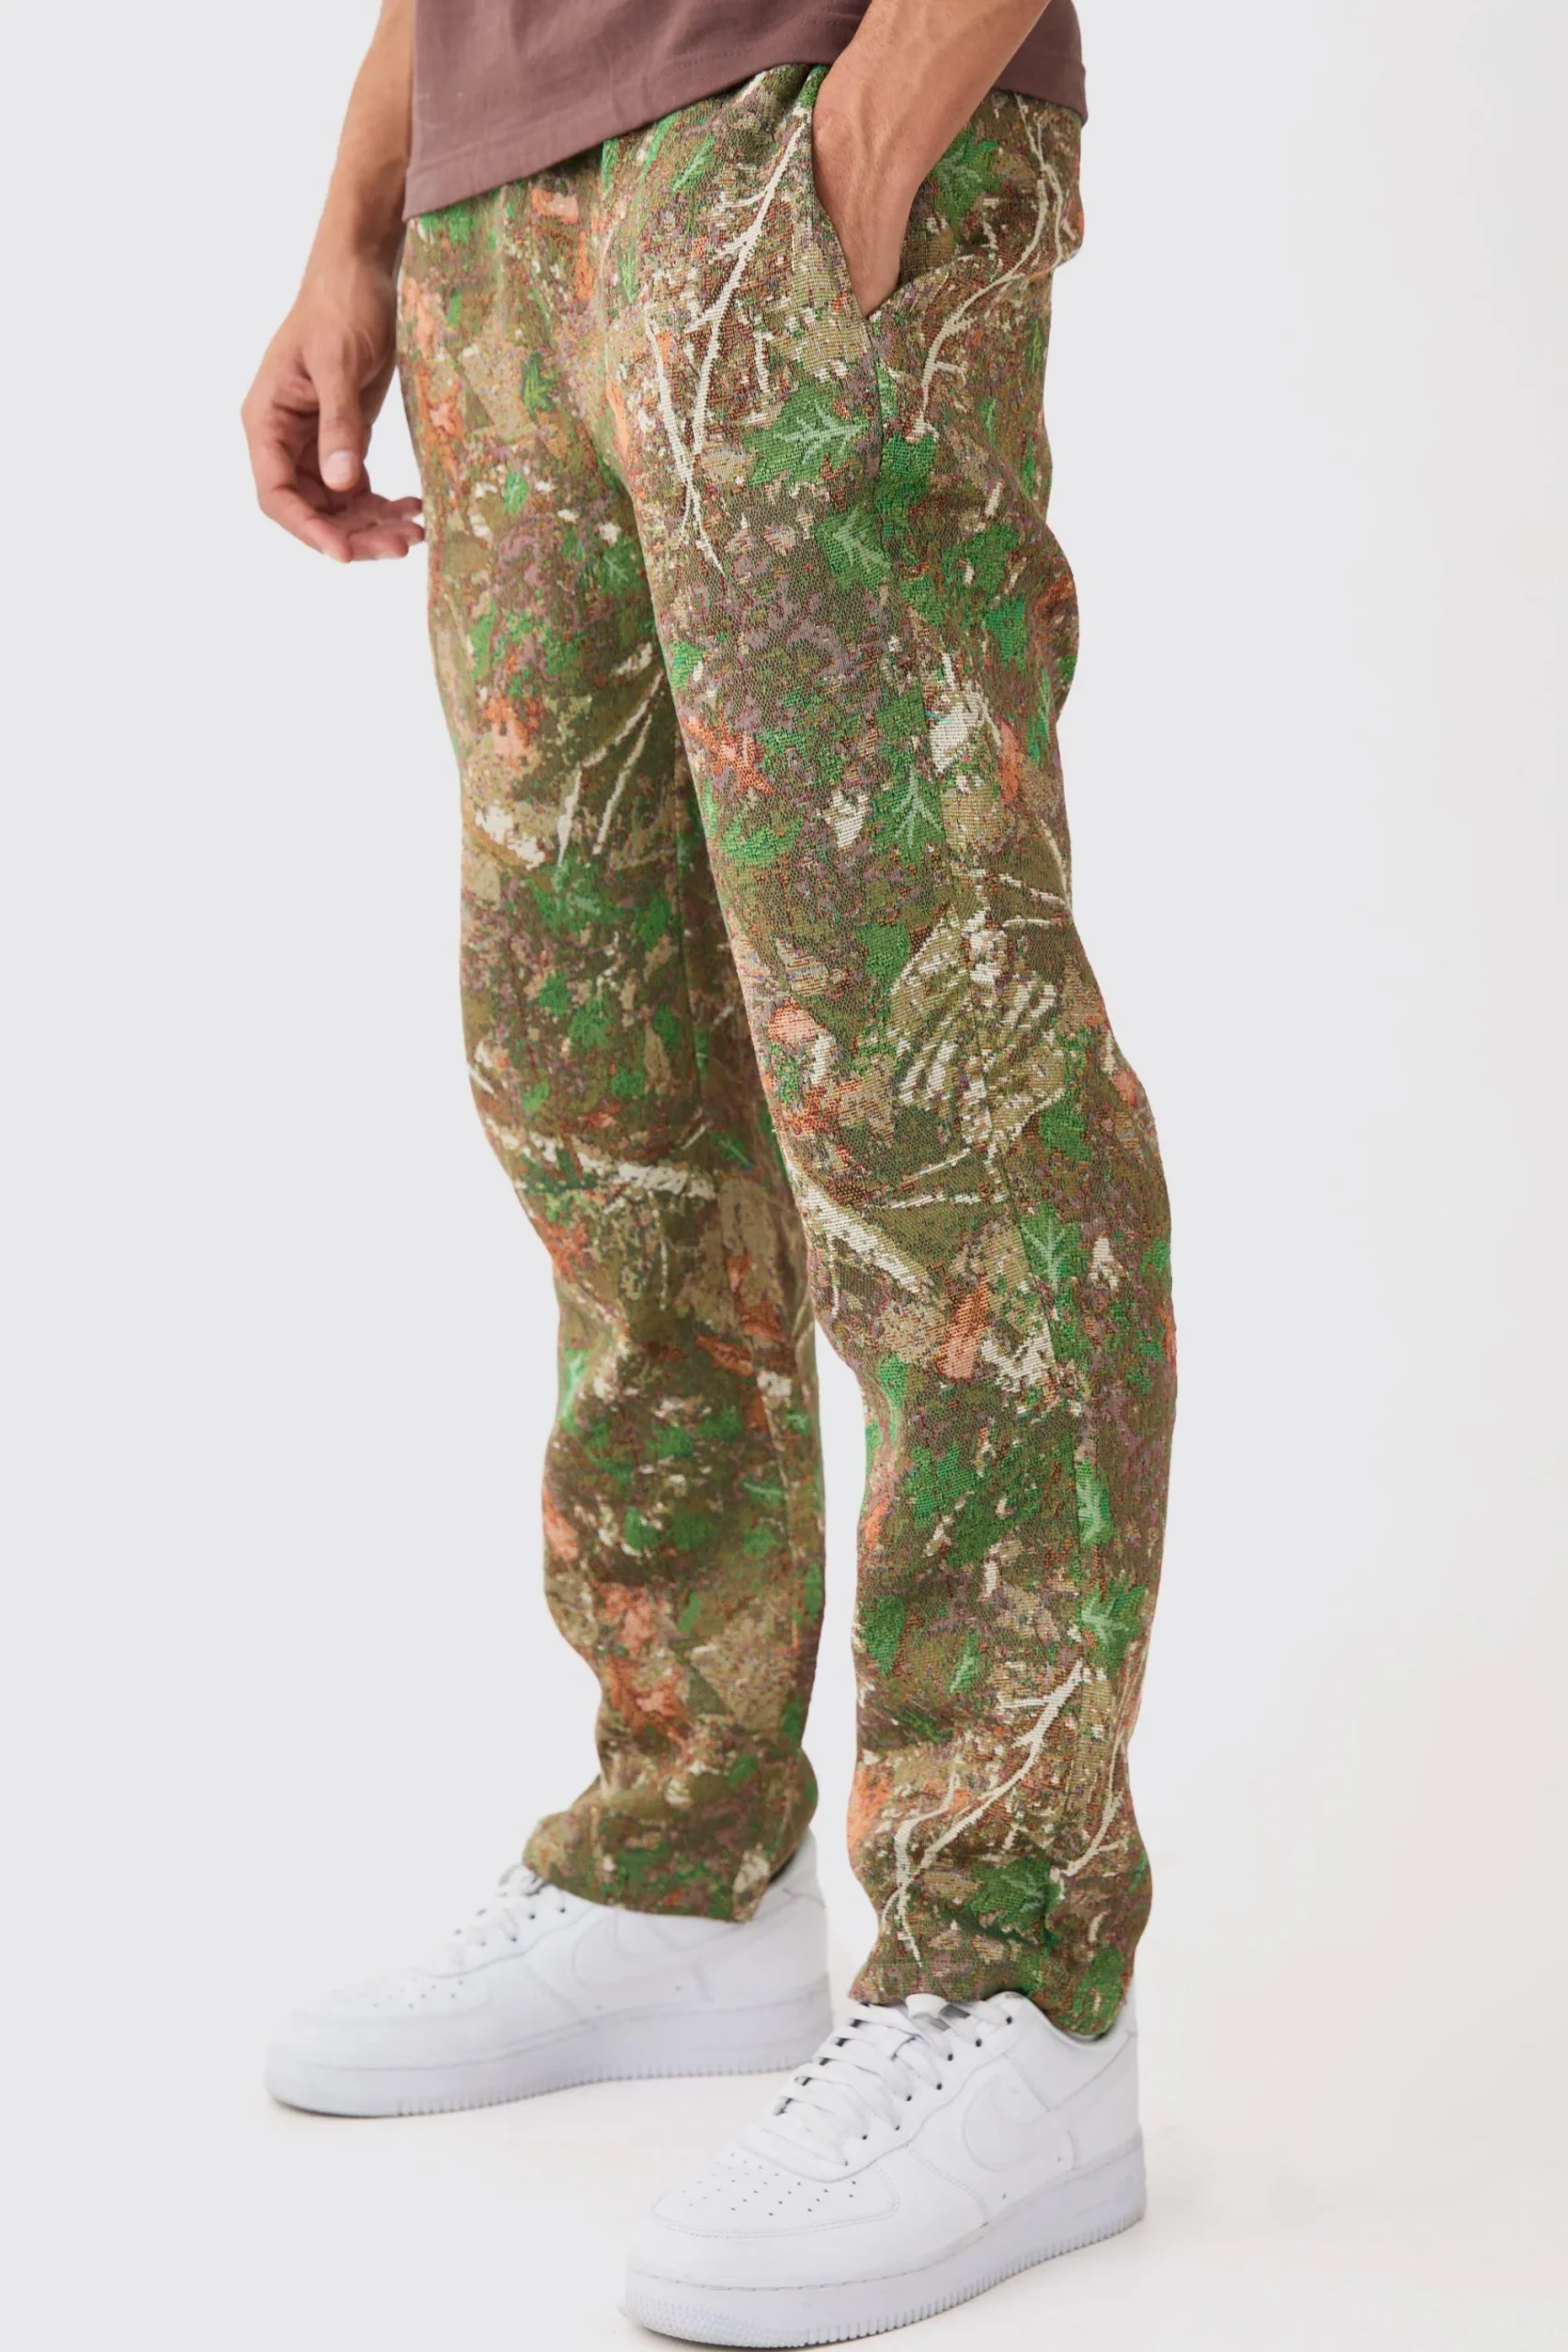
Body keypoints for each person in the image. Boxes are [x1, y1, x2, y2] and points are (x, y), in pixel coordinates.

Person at [243, 0, 1177, 2337]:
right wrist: (368, 207)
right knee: (598, 1076)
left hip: (790, 128)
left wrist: (869, 133)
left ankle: (1013, 1963)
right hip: (498, 203)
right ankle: (681, 1854)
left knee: (933, 1067)